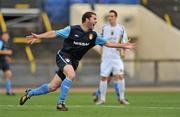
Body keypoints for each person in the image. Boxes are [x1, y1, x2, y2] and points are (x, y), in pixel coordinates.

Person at [19, 11, 135, 111]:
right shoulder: (71, 29)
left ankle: (30, 93)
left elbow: (108, 43)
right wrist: (39, 36)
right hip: (63, 56)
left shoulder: (94, 36)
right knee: (71, 74)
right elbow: (55, 33)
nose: (96, 21)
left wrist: (123, 45)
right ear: (86, 19)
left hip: (74, 62)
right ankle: (61, 103)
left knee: (52, 87)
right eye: (94, 19)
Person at [93, 10, 130, 105]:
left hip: (117, 58)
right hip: (106, 58)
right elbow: (101, 43)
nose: (110, 18)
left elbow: (125, 43)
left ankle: (122, 98)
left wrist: (124, 53)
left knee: (120, 77)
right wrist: (102, 55)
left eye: (112, 16)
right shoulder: (104, 28)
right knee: (103, 78)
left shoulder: (121, 28)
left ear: (116, 17)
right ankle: (102, 99)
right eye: (109, 16)